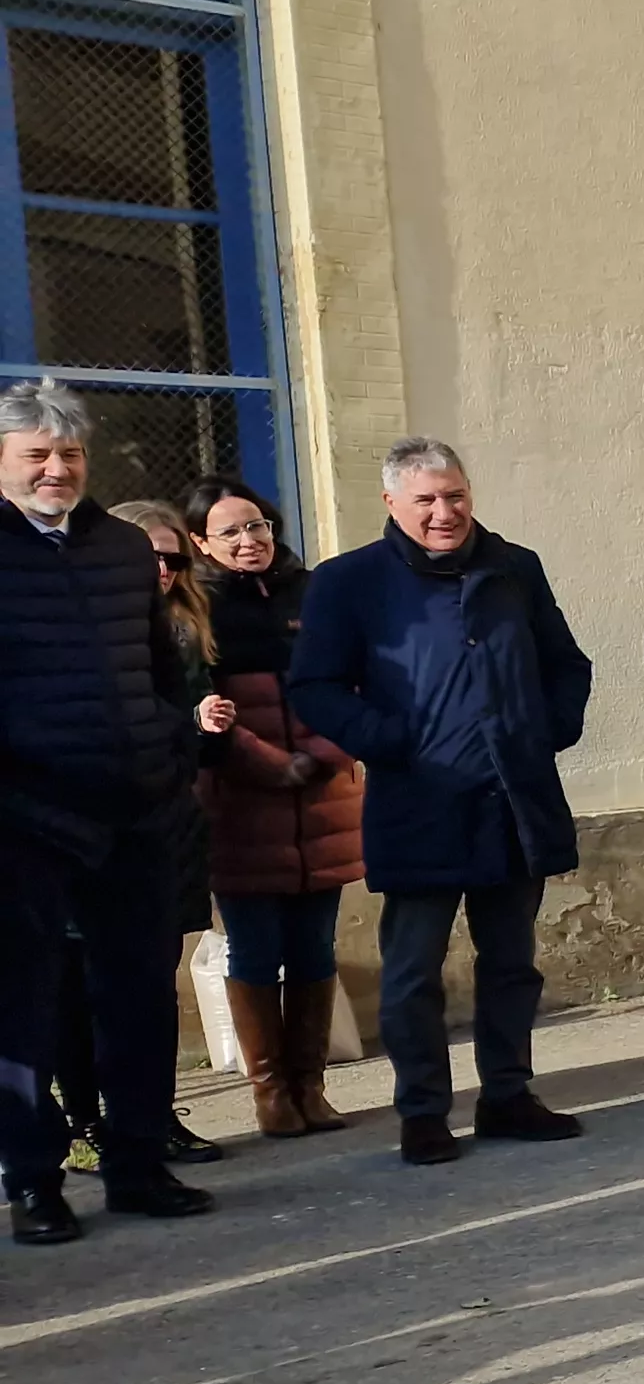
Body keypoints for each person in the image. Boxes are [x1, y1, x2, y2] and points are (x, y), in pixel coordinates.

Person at [289, 437, 593, 1167]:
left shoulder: (514, 567)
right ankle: (423, 1110)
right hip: (418, 801)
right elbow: (316, 687)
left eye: (454, 496)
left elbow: (567, 664)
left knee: (512, 961)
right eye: (425, 499)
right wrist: (392, 741)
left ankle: (507, 1094)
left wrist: (541, 730)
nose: (443, 512)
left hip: (513, 800)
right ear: (392, 503)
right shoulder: (348, 581)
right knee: (413, 970)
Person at [1, 381, 217, 1242]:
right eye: (37, 456)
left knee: (137, 996)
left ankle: (136, 1163)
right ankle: (33, 1180)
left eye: (71, 455)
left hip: (134, 810)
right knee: (22, 1008)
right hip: (24, 818)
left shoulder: (126, 548)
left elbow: (163, 671)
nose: (57, 470)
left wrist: (168, 751)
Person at [184, 479, 363, 1139]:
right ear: (200, 541)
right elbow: (204, 712)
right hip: (242, 808)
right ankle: (271, 1093)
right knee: (256, 950)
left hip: (324, 801)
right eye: (228, 531)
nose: (248, 540)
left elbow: (355, 684)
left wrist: (316, 755)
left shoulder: (314, 592)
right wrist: (270, 763)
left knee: (315, 947)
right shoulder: (194, 609)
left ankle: (311, 1087)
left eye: (256, 526)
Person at [107, 498, 237, 1161]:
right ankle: (98, 1125)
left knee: (160, 975)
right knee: (103, 986)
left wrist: (205, 723)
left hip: (173, 816)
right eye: (150, 556)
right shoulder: (96, 626)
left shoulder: (186, 625)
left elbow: (182, 739)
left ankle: (155, 1117)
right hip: (105, 826)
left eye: (174, 559)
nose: (164, 570)